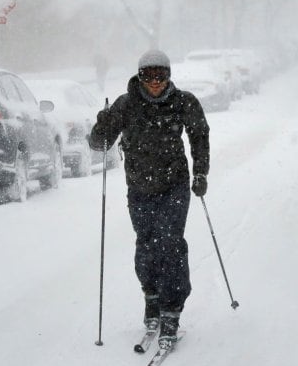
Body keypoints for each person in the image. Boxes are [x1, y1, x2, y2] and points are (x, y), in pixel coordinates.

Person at [89, 49, 210, 349]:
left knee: (170, 244)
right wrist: (102, 124)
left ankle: (172, 310)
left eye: (161, 75)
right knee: (146, 245)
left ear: (169, 75)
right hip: (139, 187)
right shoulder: (126, 104)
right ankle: (151, 299)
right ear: (139, 76)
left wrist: (200, 174)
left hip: (175, 186)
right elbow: (98, 143)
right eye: (148, 76)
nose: (155, 82)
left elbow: (200, 136)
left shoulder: (184, 101)